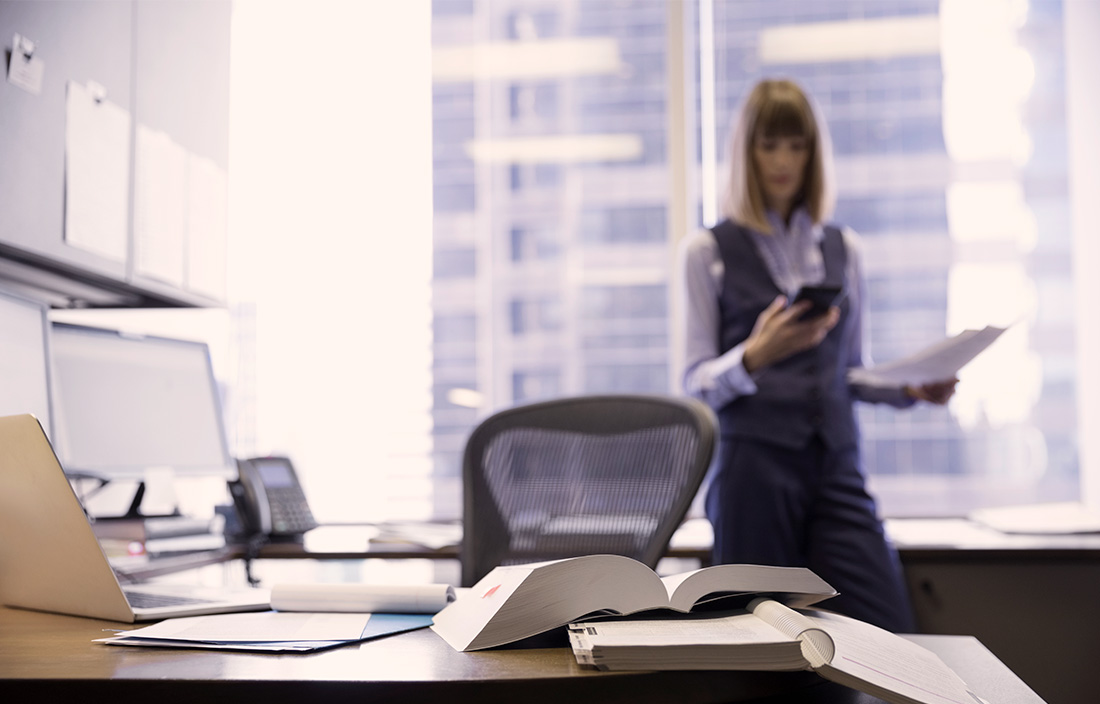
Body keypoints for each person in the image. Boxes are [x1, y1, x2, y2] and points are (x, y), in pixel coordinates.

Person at [678, 78, 957, 633]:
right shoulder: (707, 251)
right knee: (756, 651)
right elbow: (693, 384)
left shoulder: (843, 248)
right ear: (746, 152)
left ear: (814, 153)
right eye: (769, 144)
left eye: (797, 145)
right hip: (753, 472)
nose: (783, 160)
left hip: (835, 466)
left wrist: (909, 389)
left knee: (887, 631)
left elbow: (848, 370)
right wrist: (754, 356)